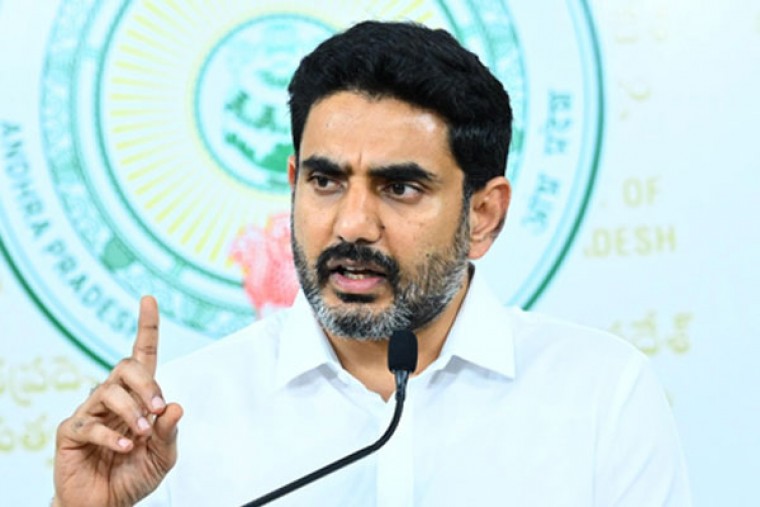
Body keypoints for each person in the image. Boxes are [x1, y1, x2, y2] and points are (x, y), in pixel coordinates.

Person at [53, 21, 691, 506]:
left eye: (400, 187)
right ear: (294, 183)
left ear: (484, 215)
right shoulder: (174, 419)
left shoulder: (601, 395)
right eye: (326, 182)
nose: (352, 224)